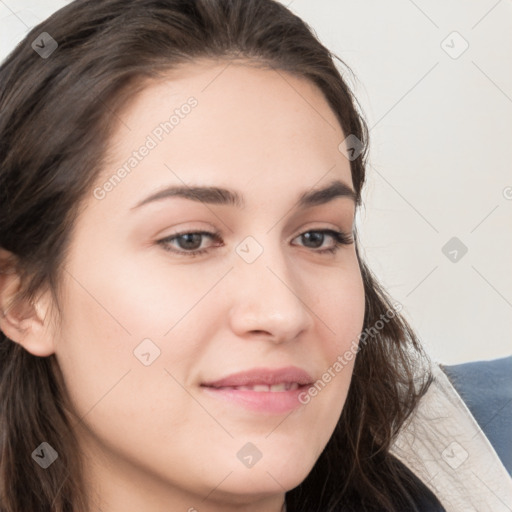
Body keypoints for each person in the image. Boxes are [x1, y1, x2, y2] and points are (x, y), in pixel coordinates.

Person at [0, 1, 510, 511]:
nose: (282, 313)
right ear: (22, 298)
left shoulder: (489, 452)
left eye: (317, 237)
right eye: (190, 239)